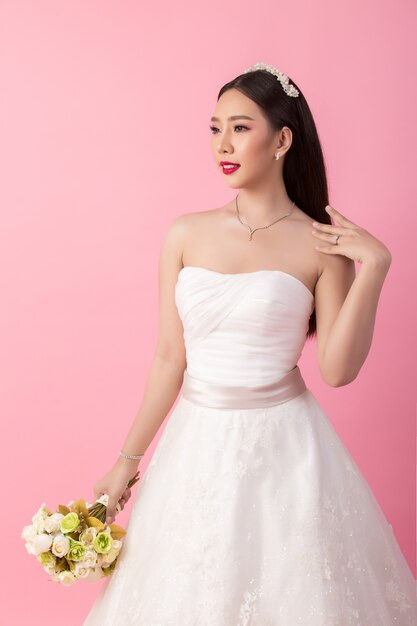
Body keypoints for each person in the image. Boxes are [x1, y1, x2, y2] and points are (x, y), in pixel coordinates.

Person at [83, 62, 417, 625]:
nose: (222, 145)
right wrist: (125, 463)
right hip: (195, 446)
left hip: (288, 450)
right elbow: (170, 357)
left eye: (240, 127)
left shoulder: (322, 245)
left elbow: (336, 371)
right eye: (214, 128)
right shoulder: (185, 233)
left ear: (282, 139)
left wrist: (375, 266)